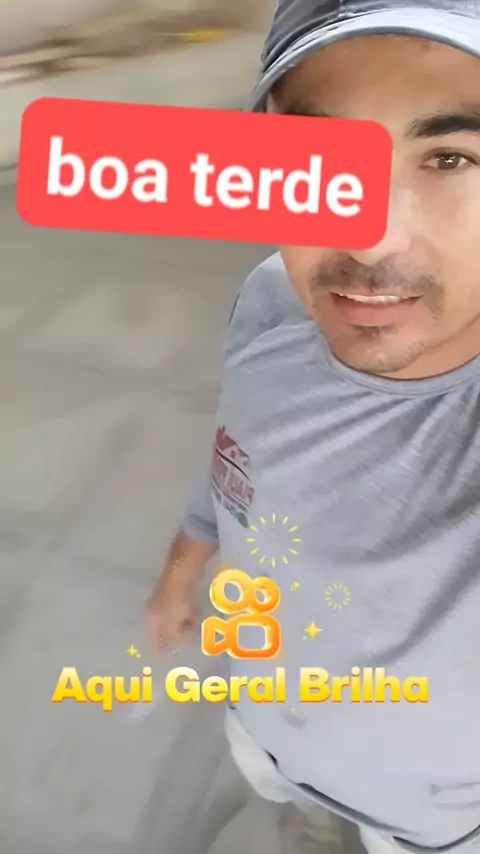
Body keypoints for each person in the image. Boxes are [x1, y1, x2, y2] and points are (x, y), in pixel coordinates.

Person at [147, 1, 480, 852]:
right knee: (287, 799)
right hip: (263, 717)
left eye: (449, 156)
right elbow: (236, 452)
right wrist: (183, 567)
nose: (368, 238)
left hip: (430, 824)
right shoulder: (271, 300)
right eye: (321, 160)